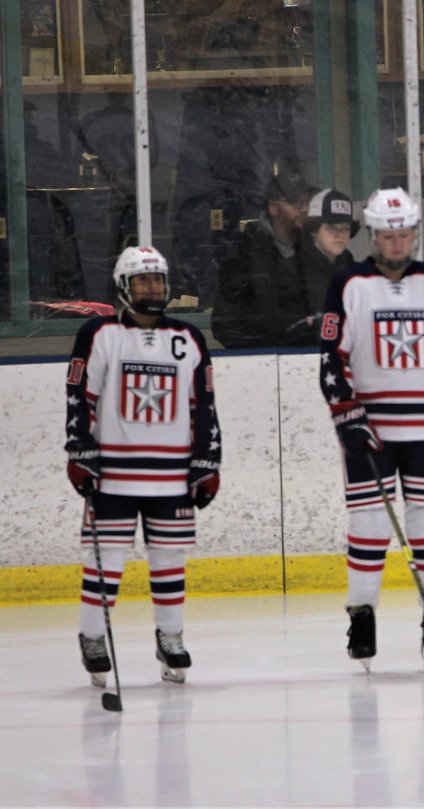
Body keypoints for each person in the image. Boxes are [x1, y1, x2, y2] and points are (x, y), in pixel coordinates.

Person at [319, 186, 424, 673]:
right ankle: (362, 615)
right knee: (369, 525)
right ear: (373, 234)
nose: (397, 242)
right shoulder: (349, 282)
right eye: (388, 234)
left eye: (405, 233)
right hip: (370, 429)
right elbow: (331, 358)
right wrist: (347, 416)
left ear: (415, 233)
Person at [66, 245, 222, 686]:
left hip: (172, 474)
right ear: (123, 287)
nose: (152, 287)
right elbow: (81, 397)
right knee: (107, 560)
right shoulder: (99, 335)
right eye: (142, 280)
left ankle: (170, 637)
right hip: (113, 472)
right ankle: (93, 637)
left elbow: (204, 406)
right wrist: (79, 451)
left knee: (170, 559)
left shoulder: (189, 339)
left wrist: (208, 461)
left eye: (157, 280)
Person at [210, 166, 313, 348]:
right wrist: (264, 349)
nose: (304, 209)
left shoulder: (317, 250)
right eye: (296, 203)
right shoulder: (244, 255)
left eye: (307, 202)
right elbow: (224, 325)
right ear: (273, 207)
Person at [291, 187, 358, 342]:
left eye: (345, 228)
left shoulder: (356, 273)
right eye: (331, 227)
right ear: (313, 229)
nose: (340, 235)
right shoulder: (294, 271)